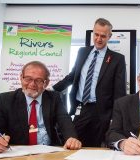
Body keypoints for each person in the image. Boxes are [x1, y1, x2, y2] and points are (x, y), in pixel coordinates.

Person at [0, 61, 81, 154]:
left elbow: (65, 122)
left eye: (39, 80)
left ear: (46, 83)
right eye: (28, 78)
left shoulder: (54, 98)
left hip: (51, 152)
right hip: (18, 154)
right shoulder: (4, 100)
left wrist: (71, 138)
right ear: (21, 78)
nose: (32, 84)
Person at [52, 18, 126, 147]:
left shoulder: (117, 59)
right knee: (74, 142)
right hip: (81, 107)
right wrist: (52, 89)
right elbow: (72, 76)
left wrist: (116, 118)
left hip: (101, 112)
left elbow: (119, 91)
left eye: (103, 36)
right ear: (93, 32)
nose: (99, 39)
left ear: (109, 36)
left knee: (95, 147)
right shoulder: (82, 52)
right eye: (96, 34)